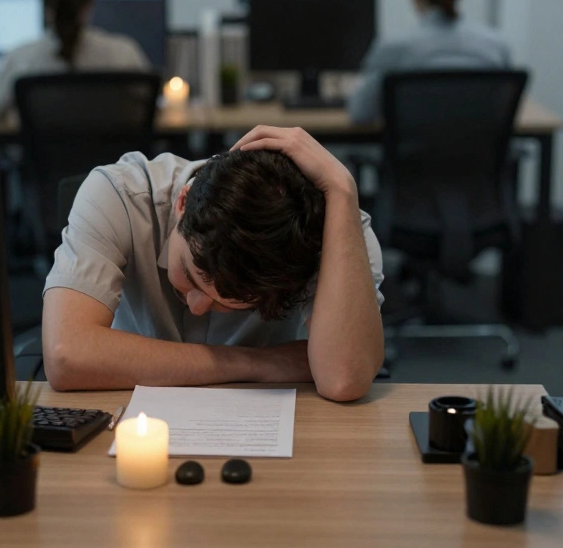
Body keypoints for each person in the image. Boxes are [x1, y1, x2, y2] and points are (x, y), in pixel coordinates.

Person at [40, 126, 385, 402]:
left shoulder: (332, 238)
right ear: (183, 202)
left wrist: (341, 188)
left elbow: (343, 379)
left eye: (230, 304)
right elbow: (66, 355)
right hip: (129, 417)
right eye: (191, 276)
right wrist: (260, 363)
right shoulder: (121, 193)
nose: (198, 306)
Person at [346, 0, 511, 124]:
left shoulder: (394, 46)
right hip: (480, 151)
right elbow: (503, 109)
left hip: (411, 152)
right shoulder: (497, 45)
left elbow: (360, 113)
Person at [0, 0, 150, 120]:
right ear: (89, 2)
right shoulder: (124, 54)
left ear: (45, 4)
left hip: (44, 149)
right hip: (111, 149)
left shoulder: (21, 59)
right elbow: (152, 104)